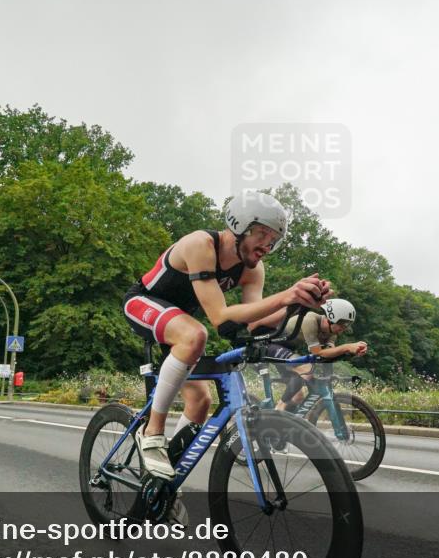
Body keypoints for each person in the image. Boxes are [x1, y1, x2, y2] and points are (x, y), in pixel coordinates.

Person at [122, 191, 330, 484]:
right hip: (143, 302)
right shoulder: (200, 244)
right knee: (197, 334)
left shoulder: (253, 270)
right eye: (261, 235)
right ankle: (152, 434)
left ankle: (161, 484)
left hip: (179, 322)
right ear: (239, 225)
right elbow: (220, 316)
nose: (266, 247)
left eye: (273, 241)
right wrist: (286, 294)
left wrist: (298, 306)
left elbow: (254, 319)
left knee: (201, 402)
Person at [249, 298, 367, 412]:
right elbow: (318, 353)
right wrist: (347, 347)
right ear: (330, 318)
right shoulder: (310, 320)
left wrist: (352, 352)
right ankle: (278, 408)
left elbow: (328, 355)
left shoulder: (332, 332)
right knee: (307, 370)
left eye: (346, 326)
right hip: (269, 346)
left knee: (297, 397)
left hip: (286, 350)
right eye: (342, 325)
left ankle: (282, 424)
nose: (343, 330)